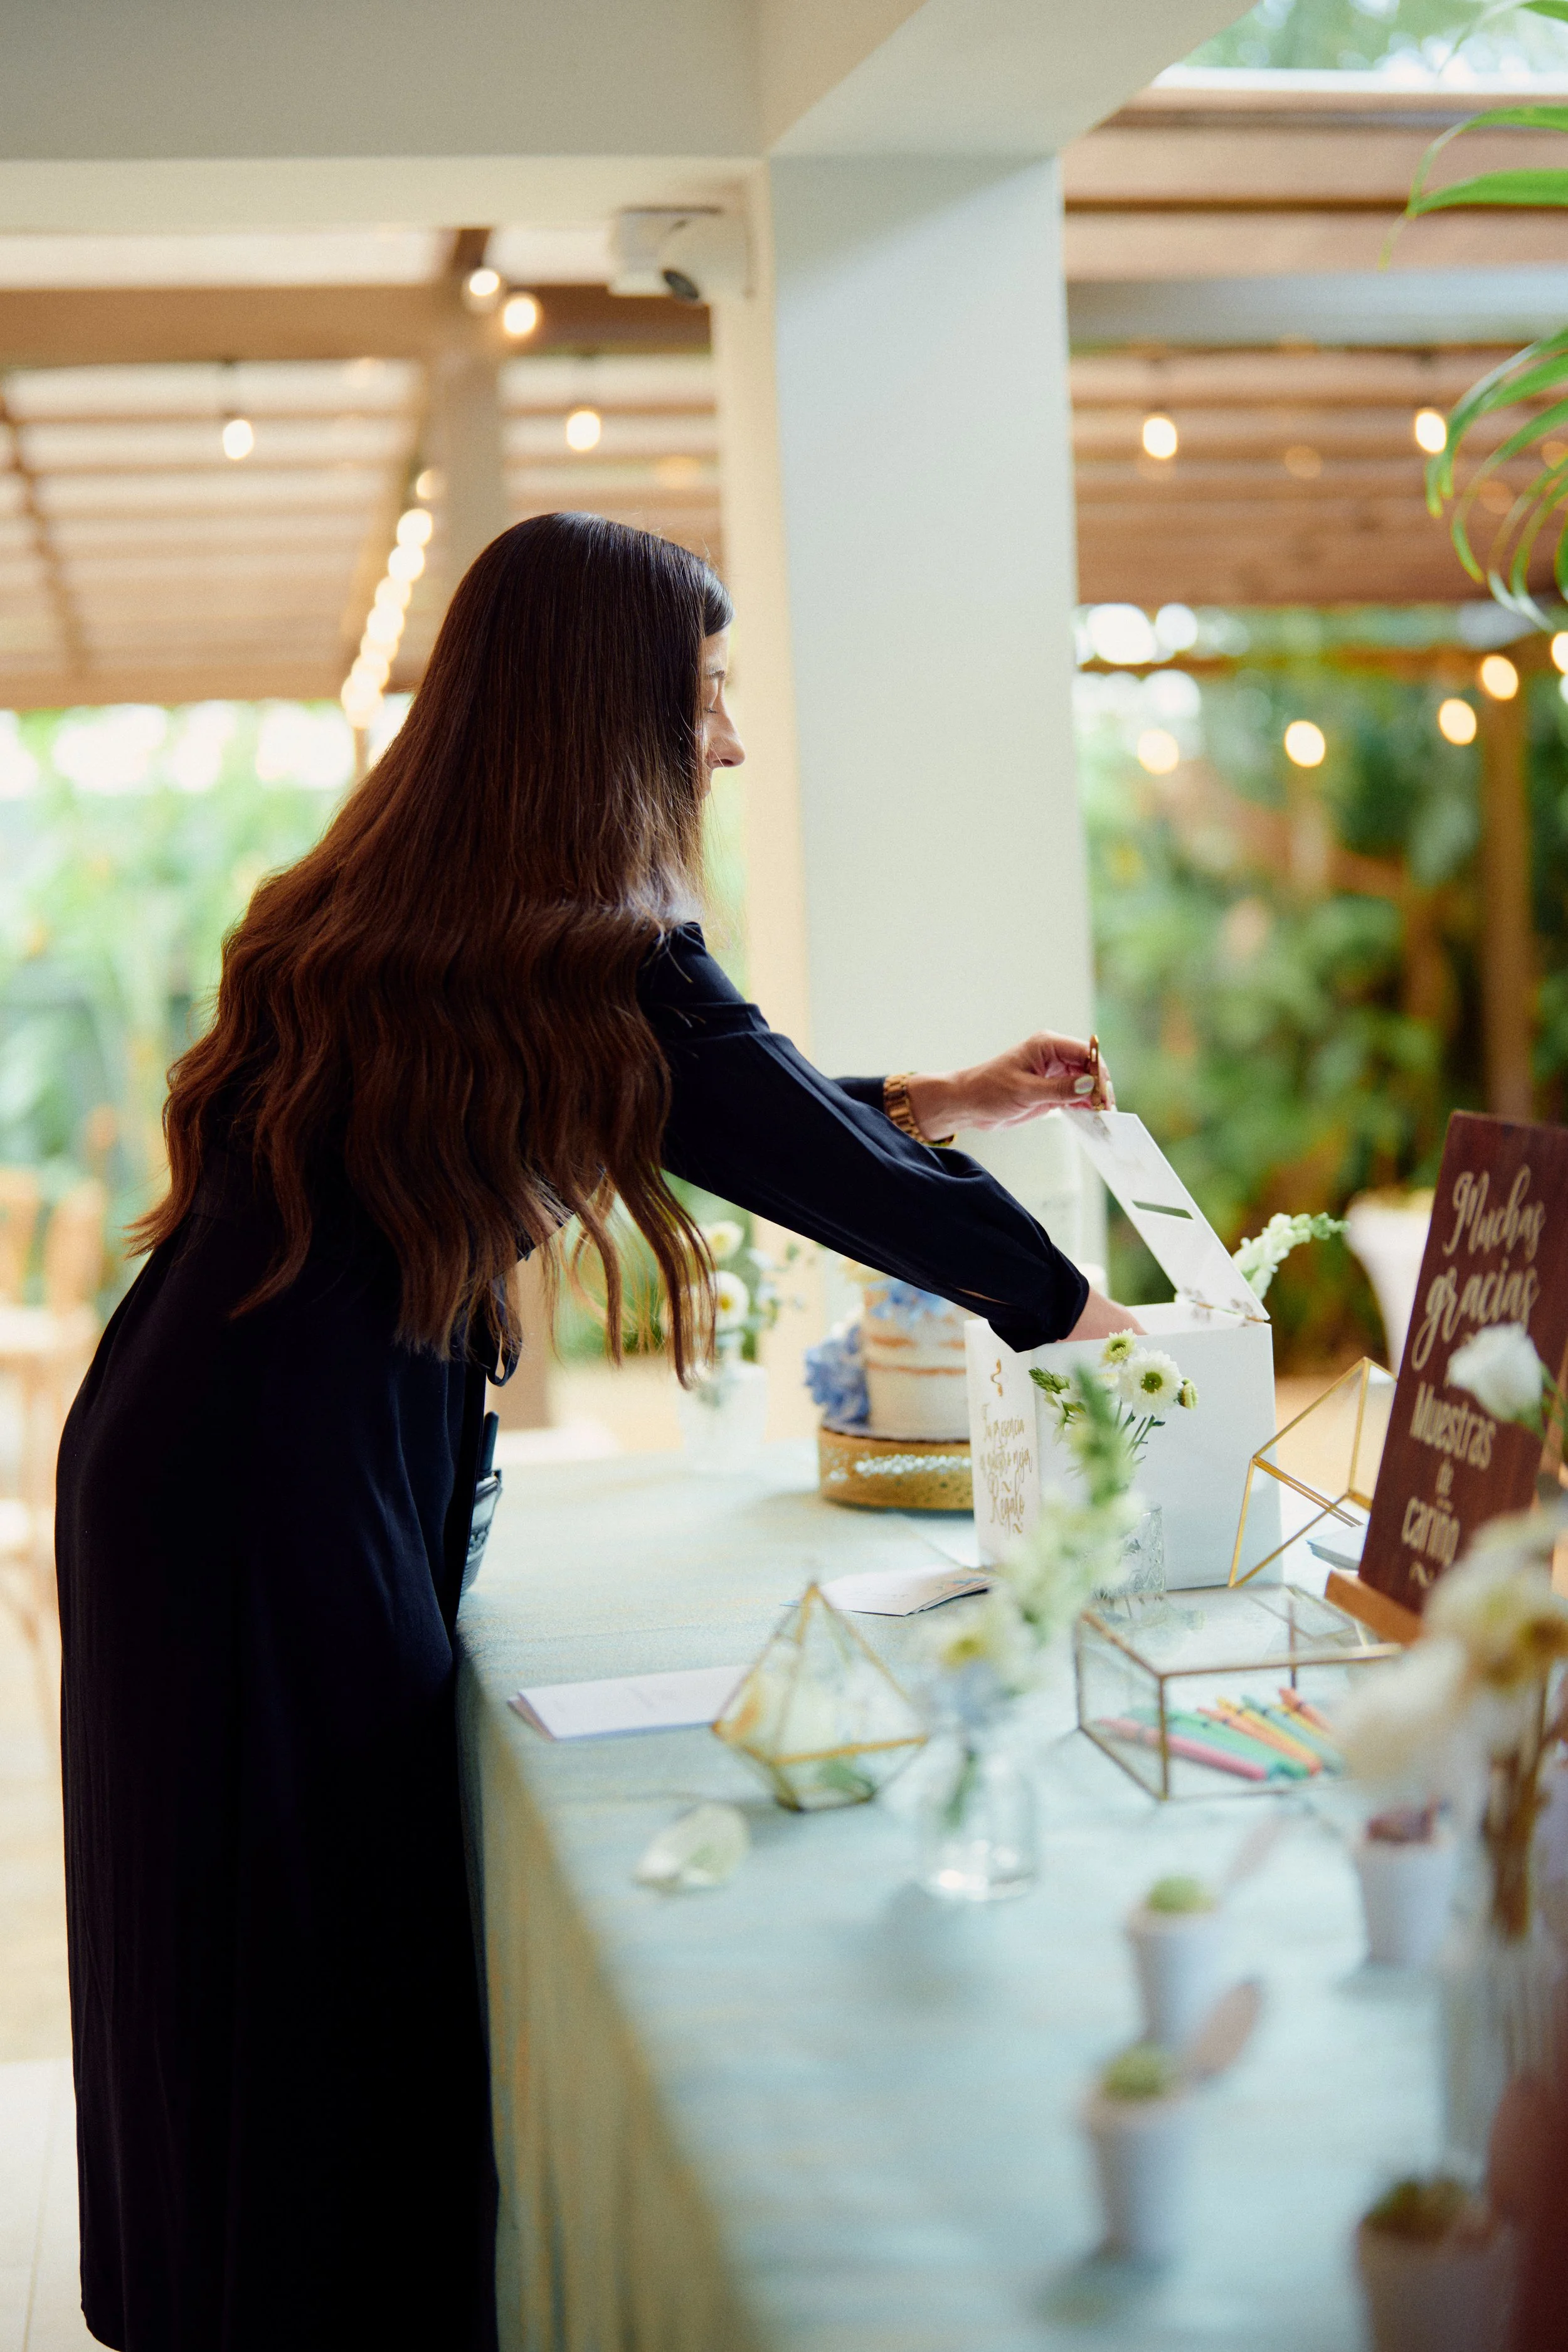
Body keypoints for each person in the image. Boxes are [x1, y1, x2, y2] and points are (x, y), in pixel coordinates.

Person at [55, 511, 1140, 2352]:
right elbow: (779, 1139)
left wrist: (939, 1097)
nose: (722, 742)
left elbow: (725, 1099)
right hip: (275, 1488)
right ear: (605, 713)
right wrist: (1103, 1331)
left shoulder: (414, 912)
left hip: (184, 1434)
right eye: (704, 696)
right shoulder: (595, 944)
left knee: (220, 1934)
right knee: (300, 1928)